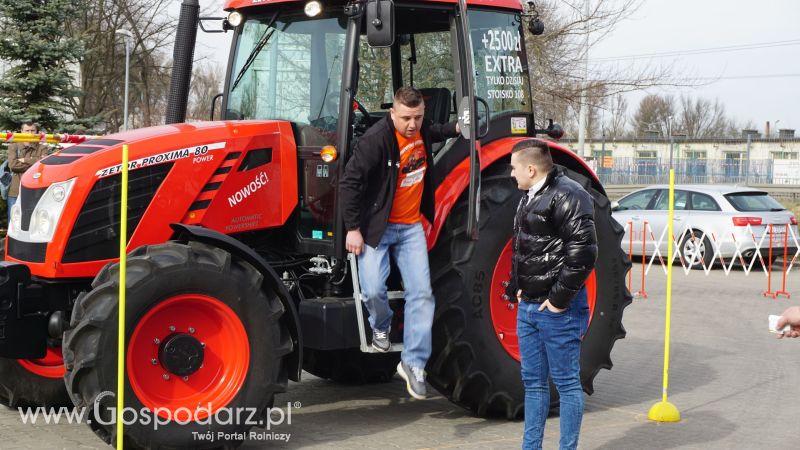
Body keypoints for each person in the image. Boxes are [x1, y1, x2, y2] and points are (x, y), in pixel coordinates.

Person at [339, 86, 459, 400]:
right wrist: (352, 229)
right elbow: (349, 183)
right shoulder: (375, 141)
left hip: (410, 229)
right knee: (374, 289)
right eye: (406, 117)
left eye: (418, 117)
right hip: (376, 229)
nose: (412, 124)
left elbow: (437, 130)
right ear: (393, 113)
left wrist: (458, 128)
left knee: (422, 292)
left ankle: (415, 363)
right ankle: (381, 326)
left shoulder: (422, 130)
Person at [507, 139, 597, 450]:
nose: (511, 173)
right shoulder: (528, 196)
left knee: (567, 384)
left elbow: (583, 254)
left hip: (558, 311)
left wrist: (558, 301)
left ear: (530, 169)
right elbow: (525, 247)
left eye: (514, 167)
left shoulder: (570, 195)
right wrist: (514, 286)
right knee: (533, 385)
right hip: (529, 308)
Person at [6, 122, 49, 221]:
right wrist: (35, 160)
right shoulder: (14, 147)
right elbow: (13, 165)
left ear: (36, 131)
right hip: (15, 191)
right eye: (27, 130)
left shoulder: (42, 147)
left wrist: (25, 160)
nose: (30, 133)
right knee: (13, 221)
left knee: (32, 222)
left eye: (32, 130)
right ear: (21, 131)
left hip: (35, 191)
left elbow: (43, 164)